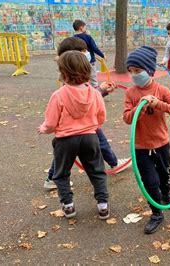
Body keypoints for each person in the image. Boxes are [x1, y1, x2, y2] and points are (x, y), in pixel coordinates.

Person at [44, 37, 129, 190]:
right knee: (69, 152)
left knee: (64, 152)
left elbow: (83, 96)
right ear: (73, 56)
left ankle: (114, 162)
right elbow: (82, 97)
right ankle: (52, 177)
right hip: (82, 125)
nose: (88, 54)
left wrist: (101, 90)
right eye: (84, 52)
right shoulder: (74, 76)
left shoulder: (72, 74)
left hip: (77, 126)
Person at [38, 51, 111, 220]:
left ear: (63, 73)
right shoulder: (94, 93)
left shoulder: (58, 95)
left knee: (61, 173)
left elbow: (50, 123)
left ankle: (68, 206)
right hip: (90, 138)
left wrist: (44, 129)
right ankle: (103, 206)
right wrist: (93, 127)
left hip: (65, 140)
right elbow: (101, 116)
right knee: (97, 171)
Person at [123, 46, 170, 234]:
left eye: (138, 71)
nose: (134, 75)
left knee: (165, 175)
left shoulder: (161, 89)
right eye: (131, 71)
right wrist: (140, 107)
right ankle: (157, 213)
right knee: (150, 181)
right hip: (141, 147)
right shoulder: (130, 93)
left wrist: (158, 103)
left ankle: (167, 194)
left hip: (161, 143)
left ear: (149, 70)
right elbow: (127, 118)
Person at [73, 19, 105, 88]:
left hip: (79, 63)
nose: (85, 28)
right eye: (85, 27)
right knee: (93, 78)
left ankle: (82, 92)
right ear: (81, 28)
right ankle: (96, 93)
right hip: (90, 62)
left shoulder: (72, 39)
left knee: (81, 78)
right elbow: (95, 48)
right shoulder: (88, 37)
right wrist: (103, 55)